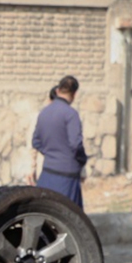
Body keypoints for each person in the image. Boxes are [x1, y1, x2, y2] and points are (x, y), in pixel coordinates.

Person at [31, 75, 87, 208]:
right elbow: (76, 144)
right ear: (74, 94)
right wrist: (82, 160)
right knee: (68, 216)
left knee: (46, 211)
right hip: (67, 175)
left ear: (58, 90)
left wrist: (50, 153)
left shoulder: (44, 112)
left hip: (47, 173)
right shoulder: (71, 114)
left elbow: (36, 141)